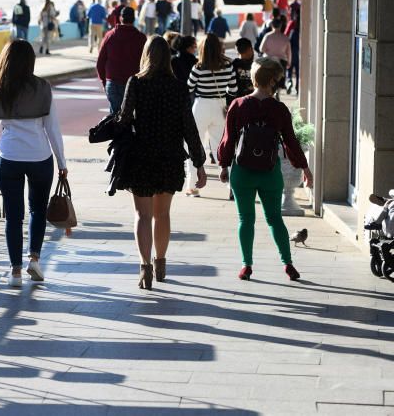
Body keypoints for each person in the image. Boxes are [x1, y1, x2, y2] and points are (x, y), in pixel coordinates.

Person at [115, 36, 206, 289]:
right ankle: (161, 263)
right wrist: (199, 163)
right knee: (162, 214)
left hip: (140, 157)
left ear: (146, 55)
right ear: (168, 58)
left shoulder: (135, 82)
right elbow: (189, 126)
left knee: (142, 215)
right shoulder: (178, 88)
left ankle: (145, 268)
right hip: (169, 157)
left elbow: (123, 119)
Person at [218, 57, 311, 282]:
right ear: (271, 81)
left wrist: (223, 165)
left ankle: (246, 266)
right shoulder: (278, 109)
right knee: (275, 219)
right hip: (270, 172)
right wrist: (305, 168)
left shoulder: (238, 105)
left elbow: (228, 140)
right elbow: (290, 142)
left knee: (245, 219)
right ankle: (288, 264)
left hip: (242, 172)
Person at [0, 40, 67, 288]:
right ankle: (34, 259)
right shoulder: (42, 88)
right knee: (38, 211)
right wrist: (62, 161)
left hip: (8, 157)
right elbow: (53, 129)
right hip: (40, 157)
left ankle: (15, 272)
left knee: (13, 216)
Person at [185, 35, 237, 197]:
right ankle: (230, 186)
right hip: (220, 106)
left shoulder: (198, 67)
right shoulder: (228, 66)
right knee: (221, 147)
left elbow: (188, 88)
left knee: (195, 145)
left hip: (200, 106)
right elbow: (233, 90)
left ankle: (193, 186)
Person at [96, 6, 147, 114]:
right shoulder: (141, 38)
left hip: (113, 82)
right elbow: (146, 63)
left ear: (120, 18)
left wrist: (104, 82)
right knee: (133, 116)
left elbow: (100, 63)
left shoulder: (110, 36)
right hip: (134, 83)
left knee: (115, 118)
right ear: (134, 19)